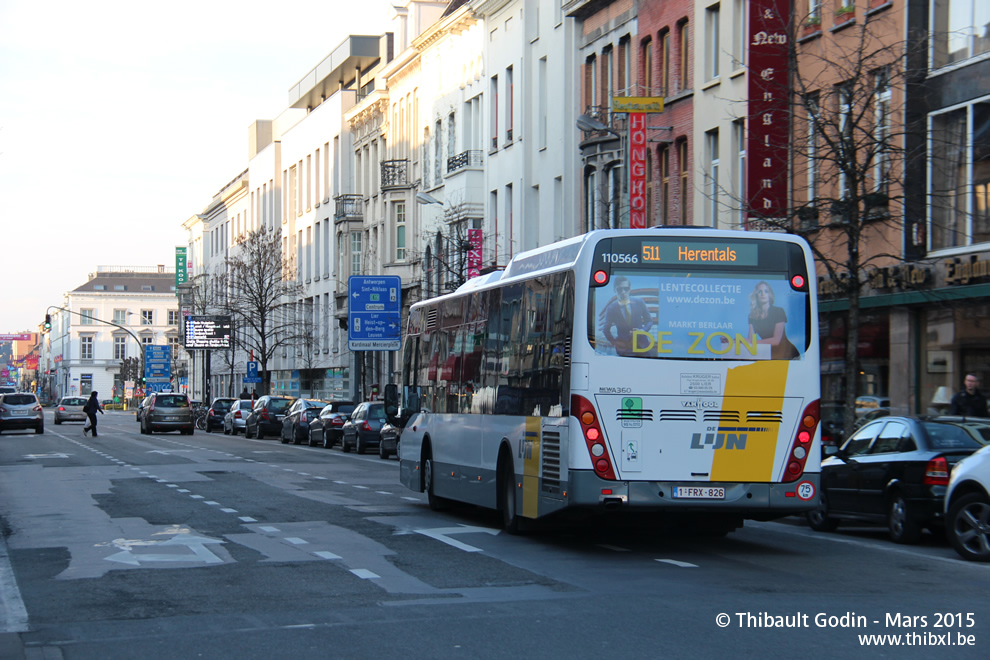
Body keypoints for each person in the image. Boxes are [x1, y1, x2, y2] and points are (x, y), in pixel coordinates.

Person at [600, 275, 654, 355]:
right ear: (615, 290)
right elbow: (606, 329)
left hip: (643, 346)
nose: (623, 292)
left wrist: (643, 330)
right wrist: (615, 343)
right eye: (619, 289)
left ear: (630, 288)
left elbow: (649, 321)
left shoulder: (639, 302)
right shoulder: (611, 308)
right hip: (624, 349)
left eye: (626, 289)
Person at [748, 281, 799, 359]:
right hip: (770, 355)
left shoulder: (778, 311)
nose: (763, 294)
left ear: (769, 295)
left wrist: (752, 342)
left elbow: (776, 340)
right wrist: (735, 341)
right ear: (756, 295)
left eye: (766, 291)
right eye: (759, 291)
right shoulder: (752, 316)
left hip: (788, 355)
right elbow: (750, 340)